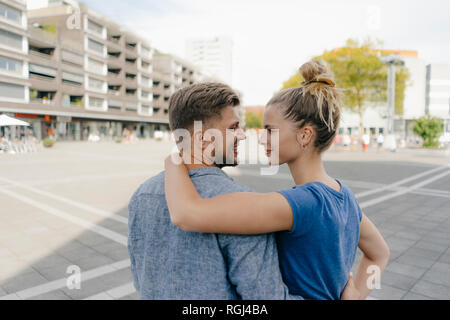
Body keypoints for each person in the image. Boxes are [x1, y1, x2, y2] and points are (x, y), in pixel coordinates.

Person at [164, 61, 390, 300]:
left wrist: (174, 161)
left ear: (304, 136)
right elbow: (380, 254)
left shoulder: (300, 204)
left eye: (270, 130)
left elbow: (186, 215)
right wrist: (357, 295)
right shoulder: (345, 197)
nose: (261, 140)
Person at [128, 81, 357, 300]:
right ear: (203, 139)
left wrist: (174, 160)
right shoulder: (242, 202)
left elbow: (141, 279)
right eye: (234, 128)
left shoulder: (141, 196)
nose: (244, 135)